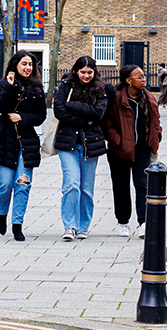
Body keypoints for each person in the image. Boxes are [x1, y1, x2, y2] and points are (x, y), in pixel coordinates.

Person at [0, 50, 47, 241]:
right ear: (15, 65)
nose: (27, 67)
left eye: (30, 64)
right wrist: (10, 86)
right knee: (5, 185)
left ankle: (17, 224)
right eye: (24, 63)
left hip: (26, 143)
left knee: (22, 185)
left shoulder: (37, 88)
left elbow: (41, 116)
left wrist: (21, 117)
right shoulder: (4, 84)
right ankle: (2, 214)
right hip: (6, 142)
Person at [103, 65, 162, 238]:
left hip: (142, 148)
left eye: (143, 76)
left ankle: (144, 222)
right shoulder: (115, 98)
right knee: (121, 186)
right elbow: (107, 123)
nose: (143, 79)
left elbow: (155, 121)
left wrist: (156, 136)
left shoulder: (148, 98)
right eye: (139, 77)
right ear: (129, 80)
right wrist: (118, 141)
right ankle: (123, 222)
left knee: (142, 184)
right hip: (119, 150)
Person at [53, 55, 108, 241]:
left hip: (91, 144)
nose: (86, 75)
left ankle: (82, 227)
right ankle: (69, 226)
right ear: (76, 71)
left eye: (89, 72)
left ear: (94, 72)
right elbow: (59, 111)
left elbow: (98, 113)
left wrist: (72, 106)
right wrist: (85, 120)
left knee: (86, 189)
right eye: (83, 72)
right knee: (71, 184)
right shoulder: (66, 86)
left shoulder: (100, 89)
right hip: (67, 143)